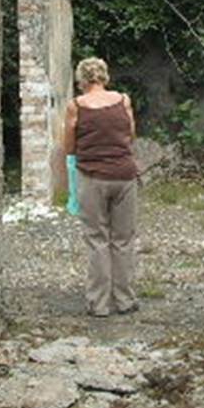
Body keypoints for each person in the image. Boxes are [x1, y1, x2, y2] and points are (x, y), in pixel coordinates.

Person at [64, 57, 139, 317]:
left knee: (97, 239)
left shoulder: (76, 106)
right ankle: (125, 300)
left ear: (82, 80)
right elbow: (130, 135)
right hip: (125, 177)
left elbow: (69, 146)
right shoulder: (123, 101)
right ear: (104, 77)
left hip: (92, 177)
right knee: (123, 240)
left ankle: (99, 303)